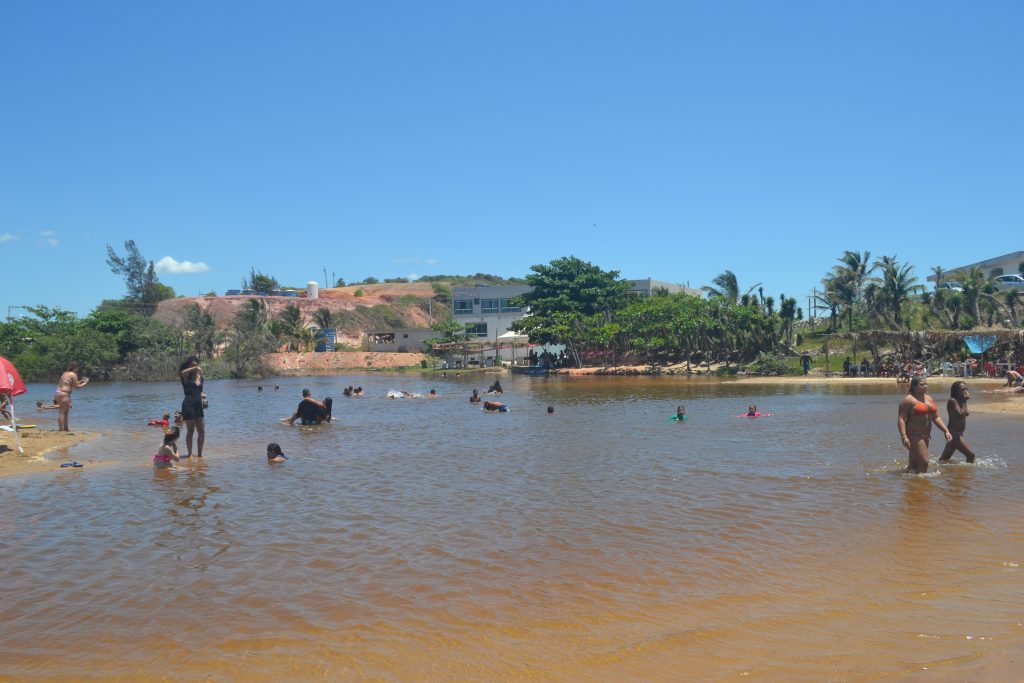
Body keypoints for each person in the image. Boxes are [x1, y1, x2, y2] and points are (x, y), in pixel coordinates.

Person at [898, 376, 952, 474]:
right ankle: (921, 486)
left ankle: (911, 485)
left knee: (914, 465)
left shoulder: (929, 399)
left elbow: (936, 417)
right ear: (914, 386)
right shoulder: (908, 400)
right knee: (924, 462)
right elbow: (901, 419)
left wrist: (946, 430)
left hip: (926, 435)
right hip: (914, 435)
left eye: (926, 384)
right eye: (922, 385)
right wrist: (904, 436)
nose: (925, 386)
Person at [938, 381, 975, 464]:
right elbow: (961, 414)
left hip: (959, 433)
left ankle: (940, 470)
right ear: (956, 391)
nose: (965, 391)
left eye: (966, 389)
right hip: (954, 434)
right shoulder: (952, 401)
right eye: (962, 389)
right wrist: (965, 400)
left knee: (944, 458)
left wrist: (963, 400)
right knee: (971, 455)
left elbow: (966, 413)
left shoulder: (960, 401)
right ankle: (967, 475)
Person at [179, 357, 205, 458]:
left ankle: (200, 455)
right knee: (191, 430)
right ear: (189, 366)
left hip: (199, 404)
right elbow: (183, 372)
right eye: (192, 366)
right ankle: (190, 454)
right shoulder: (186, 375)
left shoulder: (200, 377)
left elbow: (200, 391)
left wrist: (203, 396)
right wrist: (196, 368)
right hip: (188, 404)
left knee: (202, 431)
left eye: (196, 365)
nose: (195, 367)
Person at [53, 362, 89, 432]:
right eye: (77, 368)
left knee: (65, 412)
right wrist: (85, 383)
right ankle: (61, 430)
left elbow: (70, 383)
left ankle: (65, 428)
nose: (77, 370)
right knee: (62, 412)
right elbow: (77, 387)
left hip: (58, 393)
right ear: (75, 368)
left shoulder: (65, 373)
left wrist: (81, 381)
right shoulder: (73, 374)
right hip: (64, 394)